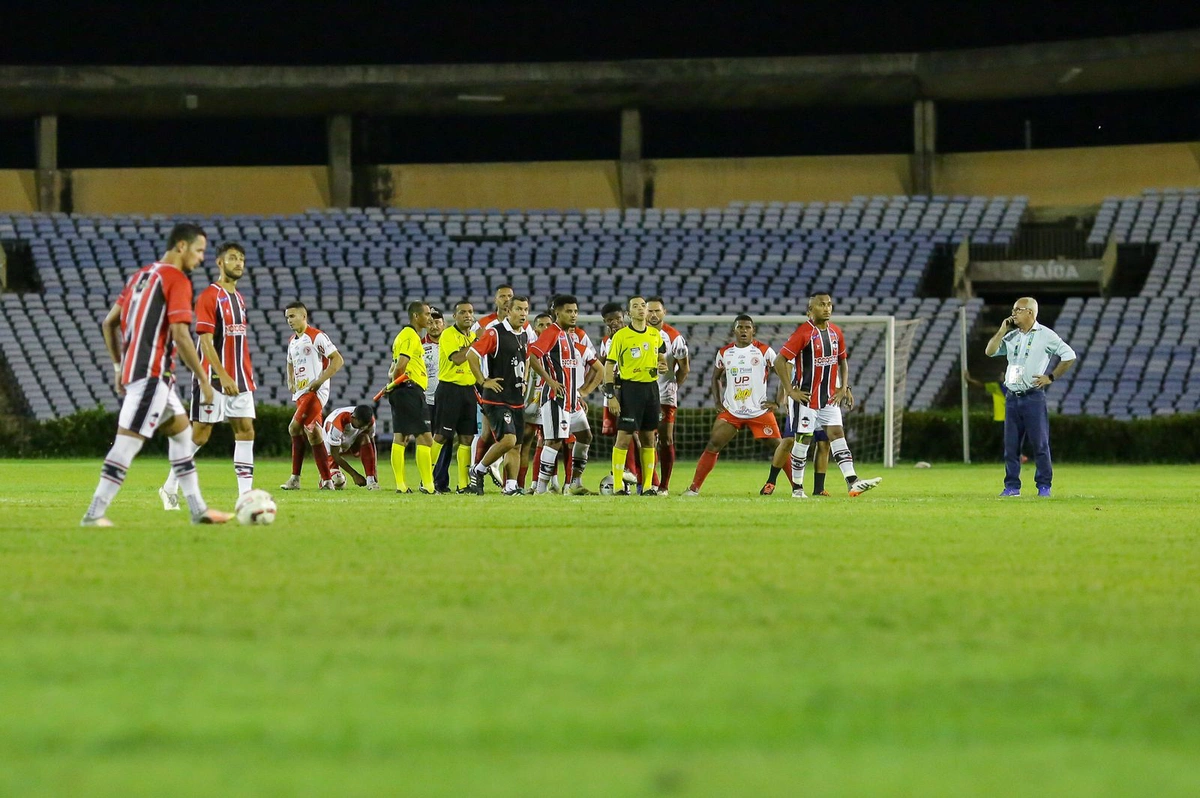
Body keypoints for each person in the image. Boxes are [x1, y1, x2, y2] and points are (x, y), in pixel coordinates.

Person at [81, 223, 231, 526]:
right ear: (181, 246)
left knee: (181, 436)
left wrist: (117, 366)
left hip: (147, 376)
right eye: (199, 250)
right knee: (126, 445)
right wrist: (204, 378)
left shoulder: (141, 276)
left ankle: (198, 509)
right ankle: (93, 514)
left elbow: (110, 322)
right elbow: (181, 334)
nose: (202, 258)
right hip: (151, 377)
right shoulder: (176, 279)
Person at [159, 242, 257, 509]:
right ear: (219, 263)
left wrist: (240, 374)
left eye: (242, 259)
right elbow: (204, 340)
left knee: (246, 431)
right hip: (213, 379)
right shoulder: (209, 296)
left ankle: (245, 497)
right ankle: (169, 487)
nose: (239, 263)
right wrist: (222, 375)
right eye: (233, 258)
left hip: (241, 378)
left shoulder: (239, 298)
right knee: (201, 435)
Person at [776, 292, 881, 498]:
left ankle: (853, 481)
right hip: (805, 398)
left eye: (829, 304)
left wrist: (844, 388)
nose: (827, 308)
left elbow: (842, 360)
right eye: (821, 305)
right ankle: (797, 488)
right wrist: (790, 391)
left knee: (837, 436)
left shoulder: (836, 333)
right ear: (810, 310)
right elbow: (780, 361)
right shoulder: (803, 333)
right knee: (803, 440)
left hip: (828, 398)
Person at [985, 296, 1077, 498]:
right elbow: (989, 351)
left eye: (1018, 310)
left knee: (1040, 444)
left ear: (1030, 312)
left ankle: (1044, 486)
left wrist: (1051, 377)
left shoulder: (1046, 335)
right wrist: (1002, 331)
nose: (1013, 313)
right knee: (1011, 447)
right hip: (1012, 397)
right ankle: (1012, 487)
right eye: (1013, 309)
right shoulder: (1011, 336)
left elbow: (1069, 355)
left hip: (1033, 397)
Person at [684, 315, 782, 495]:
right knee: (713, 444)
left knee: (780, 447)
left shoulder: (764, 351)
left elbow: (783, 373)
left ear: (753, 330)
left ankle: (797, 489)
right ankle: (694, 488)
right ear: (734, 330)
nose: (744, 331)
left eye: (747, 327)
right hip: (732, 410)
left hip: (758, 410)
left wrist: (778, 401)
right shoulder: (724, 352)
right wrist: (717, 401)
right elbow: (715, 377)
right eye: (740, 327)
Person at [527, 295, 604, 495]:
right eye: (569, 311)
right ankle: (541, 489)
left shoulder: (568, 336)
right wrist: (550, 381)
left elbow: (599, 369)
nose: (573, 315)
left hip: (572, 401)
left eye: (575, 311)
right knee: (553, 441)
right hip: (555, 398)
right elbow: (533, 356)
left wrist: (584, 392)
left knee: (585, 436)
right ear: (557, 312)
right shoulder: (552, 332)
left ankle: (575, 483)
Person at [466, 295, 531, 495]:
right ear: (508, 311)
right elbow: (471, 355)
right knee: (509, 440)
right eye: (519, 309)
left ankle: (510, 486)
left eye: (526, 310)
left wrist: (525, 381)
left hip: (516, 398)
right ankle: (478, 469)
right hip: (497, 398)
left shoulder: (524, 335)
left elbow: (526, 359)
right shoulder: (495, 333)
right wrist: (483, 380)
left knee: (516, 446)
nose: (523, 313)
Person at [604, 295, 668, 496]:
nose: (641, 309)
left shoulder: (655, 335)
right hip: (630, 389)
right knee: (623, 437)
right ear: (628, 313)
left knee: (649, 437)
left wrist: (662, 364)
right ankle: (617, 486)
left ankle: (648, 486)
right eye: (636, 306)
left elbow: (661, 357)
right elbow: (609, 365)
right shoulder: (621, 336)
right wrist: (610, 395)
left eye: (643, 306)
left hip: (651, 389)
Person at [280, 301, 344, 490]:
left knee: (293, 428)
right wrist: (290, 380)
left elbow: (338, 360)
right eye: (287, 318)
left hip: (314, 392)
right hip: (300, 393)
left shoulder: (317, 336)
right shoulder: (292, 341)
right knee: (314, 434)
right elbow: (289, 362)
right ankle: (326, 481)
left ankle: (295, 478)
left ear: (303, 316)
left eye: (292, 316)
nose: (289, 321)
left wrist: (319, 381)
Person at [382, 301, 435, 494]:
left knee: (401, 437)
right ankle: (429, 487)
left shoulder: (406, 336)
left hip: (404, 390)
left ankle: (401, 486)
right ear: (416, 316)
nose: (430, 318)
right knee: (426, 439)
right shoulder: (410, 336)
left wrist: (393, 385)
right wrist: (397, 384)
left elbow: (394, 367)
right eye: (427, 314)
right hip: (409, 390)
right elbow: (400, 366)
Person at [431, 300, 479, 493]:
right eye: (463, 312)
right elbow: (458, 359)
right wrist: (476, 342)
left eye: (470, 312)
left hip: (468, 390)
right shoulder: (448, 335)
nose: (468, 315)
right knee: (442, 436)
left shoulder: (474, 335)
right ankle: (426, 478)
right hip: (449, 389)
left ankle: (463, 484)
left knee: (467, 438)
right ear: (455, 316)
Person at [646, 297, 689, 495]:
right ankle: (649, 482)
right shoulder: (636, 334)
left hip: (664, 396)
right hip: (641, 393)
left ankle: (663, 486)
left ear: (665, 312)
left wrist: (673, 386)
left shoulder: (674, 337)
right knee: (642, 439)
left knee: (665, 440)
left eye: (657, 311)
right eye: (650, 311)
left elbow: (684, 368)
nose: (653, 315)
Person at [595, 302, 639, 494]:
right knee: (619, 435)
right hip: (614, 394)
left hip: (633, 392)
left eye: (617, 318)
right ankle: (625, 477)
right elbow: (602, 366)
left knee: (637, 435)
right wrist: (605, 389)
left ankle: (642, 478)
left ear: (625, 317)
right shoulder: (607, 341)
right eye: (609, 320)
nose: (614, 323)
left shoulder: (634, 336)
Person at [520, 312, 554, 492]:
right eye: (541, 325)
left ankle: (544, 485)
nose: (545, 328)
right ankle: (517, 484)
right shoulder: (529, 349)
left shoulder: (558, 348)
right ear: (535, 329)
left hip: (551, 402)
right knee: (524, 443)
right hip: (530, 403)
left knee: (552, 443)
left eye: (549, 325)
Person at [421, 307, 453, 490]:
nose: (434, 326)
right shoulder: (419, 346)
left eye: (437, 322)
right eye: (430, 322)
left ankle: (441, 481)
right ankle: (426, 479)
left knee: (446, 440)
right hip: (426, 399)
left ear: (444, 323)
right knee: (427, 441)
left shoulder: (451, 344)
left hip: (448, 399)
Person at [324, 405, 380, 490]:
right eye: (361, 425)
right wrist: (354, 475)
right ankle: (324, 479)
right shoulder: (338, 422)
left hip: (350, 442)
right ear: (353, 418)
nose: (363, 427)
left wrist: (373, 471)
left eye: (365, 425)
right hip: (332, 448)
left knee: (365, 438)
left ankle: (371, 481)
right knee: (337, 481)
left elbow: (372, 445)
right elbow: (335, 454)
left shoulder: (370, 421)